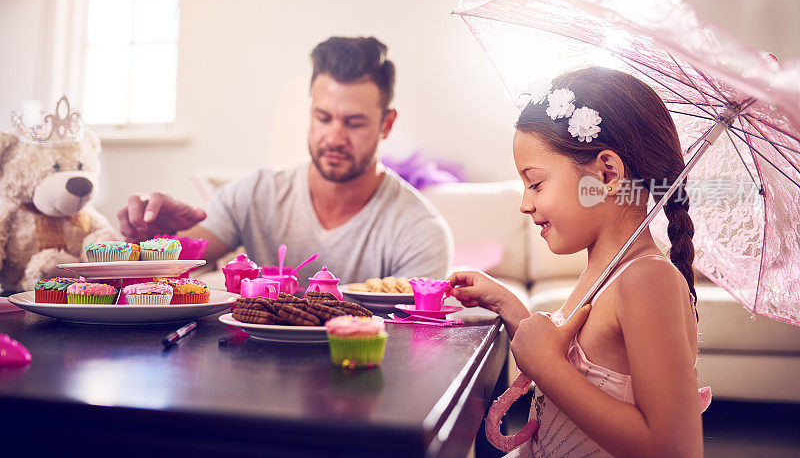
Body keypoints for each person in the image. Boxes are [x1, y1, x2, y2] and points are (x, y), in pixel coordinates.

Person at [449, 68, 704, 457]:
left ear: (606, 173)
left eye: (535, 183)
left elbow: (675, 449)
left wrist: (548, 367)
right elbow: (584, 362)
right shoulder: (604, 273)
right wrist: (510, 307)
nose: (525, 203)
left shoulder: (648, 280)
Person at [118, 36, 452, 284]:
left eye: (354, 123)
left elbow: (410, 349)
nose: (334, 137)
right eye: (323, 117)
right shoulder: (256, 193)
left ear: (387, 124)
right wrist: (154, 238)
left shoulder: (420, 231)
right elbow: (171, 267)